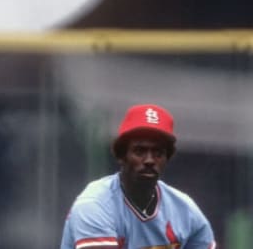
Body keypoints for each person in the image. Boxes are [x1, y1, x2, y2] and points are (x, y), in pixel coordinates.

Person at [60, 104, 216, 249]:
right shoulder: (95, 205)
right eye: (139, 151)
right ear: (121, 156)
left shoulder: (185, 210)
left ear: (166, 158)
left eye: (158, 153)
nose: (149, 160)